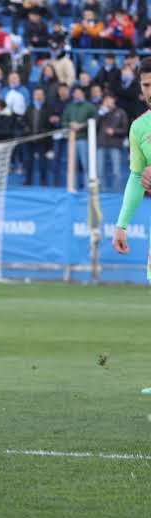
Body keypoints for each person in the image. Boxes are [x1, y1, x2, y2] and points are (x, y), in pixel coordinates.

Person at [113, 57, 151, 397]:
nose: (150, 92)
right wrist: (122, 224)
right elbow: (137, 178)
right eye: (146, 86)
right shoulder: (140, 128)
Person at [96, 93, 128, 193]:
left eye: (110, 100)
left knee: (116, 171)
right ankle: (102, 192)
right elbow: (93, 125)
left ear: (114, 100)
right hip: (101, 144)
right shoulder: (101, 112)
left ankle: (117, 192)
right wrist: (101, 113)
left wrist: (114, 131)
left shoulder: (120, 112)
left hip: (115, 144)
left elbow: (125, 129)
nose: (108, 102)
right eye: (106, 100)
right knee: (100, 170)